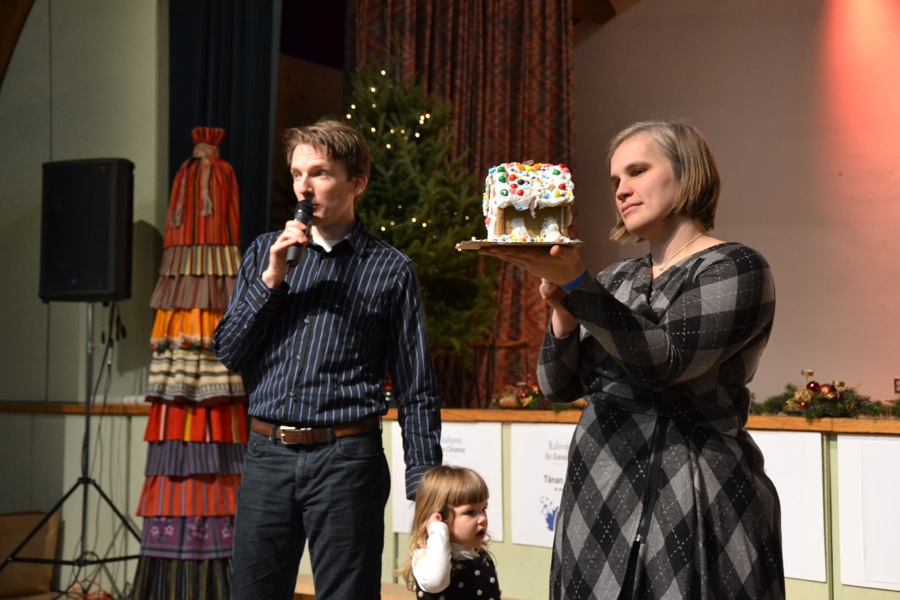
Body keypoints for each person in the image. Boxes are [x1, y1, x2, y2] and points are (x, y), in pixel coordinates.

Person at [480, 119, 784, 599]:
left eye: (638, 171)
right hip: (600, 489)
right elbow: (558, 386)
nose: (621, 190)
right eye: (615, 180)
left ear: (687, 173)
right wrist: (563, 310)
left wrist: (579, 285)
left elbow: (667, 362)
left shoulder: (736, 266)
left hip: (692, 486)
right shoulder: (617, 277)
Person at [213, 119, 443, 599]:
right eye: (297, 174)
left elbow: (416, 386)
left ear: (356, 182)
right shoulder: (264, 254)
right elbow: (230, 353)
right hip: (267, 455)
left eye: (319, 173)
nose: (304, 187)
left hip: (346, 461)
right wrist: (271, 280)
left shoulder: (390, 268)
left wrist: (425, 485)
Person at [398, 465, 501, 599]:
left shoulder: (479, 556)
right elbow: (436, 582)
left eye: (483, 509)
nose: (482, 518)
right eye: (470, 512)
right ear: (441, 517)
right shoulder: (427, 557)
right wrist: (438, 530)